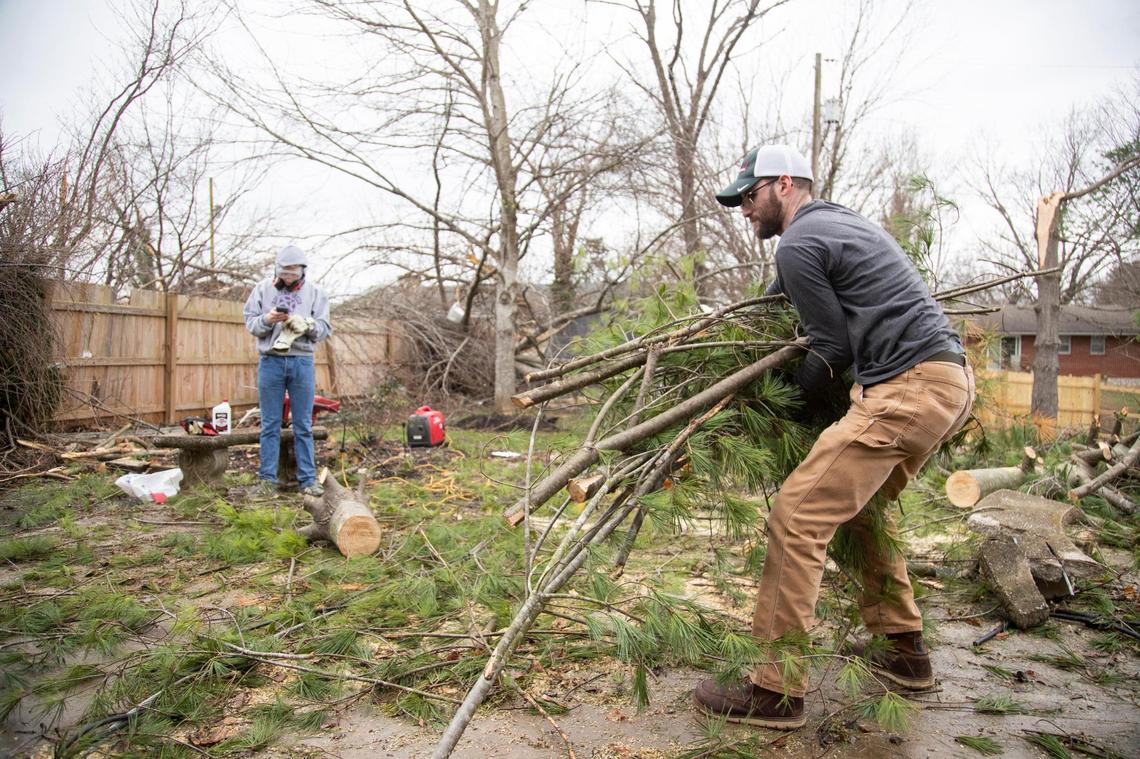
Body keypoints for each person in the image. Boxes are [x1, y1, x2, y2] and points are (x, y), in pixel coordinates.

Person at [692, 145, 975, 729]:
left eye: (750, 195)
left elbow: (831, 349)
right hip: (947, 381)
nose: (745, 208)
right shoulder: (836, 223)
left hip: (906, 389)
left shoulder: (800, 241)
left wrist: (791, 405)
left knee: (796, 516)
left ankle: (774, 689)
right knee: (862, 511)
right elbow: (780, 304)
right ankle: (904, 651)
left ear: (784, 184)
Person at [243, 244, 332, 496]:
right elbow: (250, 322)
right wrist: (267, 320)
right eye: (284, 272)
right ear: (277, 270)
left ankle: (308, 481)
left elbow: (325, 328)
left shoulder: (316, 293)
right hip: (270, 362)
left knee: (303, 425)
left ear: (302, 271)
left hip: (301, 362)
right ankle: (267, 482)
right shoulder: (262, 289)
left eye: (293, 272)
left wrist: (309, 326)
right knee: (270, 424)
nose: (288, 277)